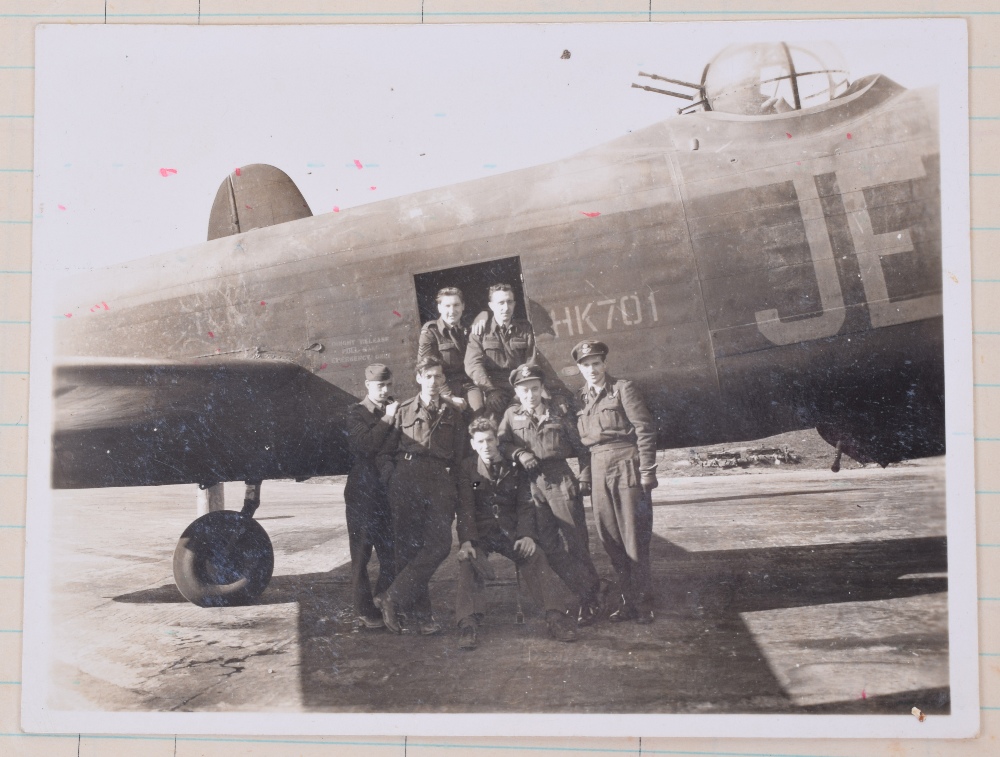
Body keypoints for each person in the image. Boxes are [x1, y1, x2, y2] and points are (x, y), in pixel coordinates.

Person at [454, 417, 579, 650]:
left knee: (536, 556)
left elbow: (524, 503)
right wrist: (467, 541)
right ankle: (468, 623)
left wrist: (527, 535)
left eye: (490, 440)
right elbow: (466, 508)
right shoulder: (468, 468)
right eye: (480, 441)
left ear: (497, 441)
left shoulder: (514, 467)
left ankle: (555, 617)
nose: (486, 446)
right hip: (481, 533)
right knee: (468, 560)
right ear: (473, 444)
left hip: (510, 532)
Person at [497, 363, 602, 626]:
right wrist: (519, 454)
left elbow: (582, 447)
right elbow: (502, 443)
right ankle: (589, 590)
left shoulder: (558, 413)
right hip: (532, 485)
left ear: (541, 389)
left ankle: (590, 600)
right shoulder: (511, 415)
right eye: (524, 391)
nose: (530, 395)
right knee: (550, 546)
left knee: (576, 542)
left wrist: (585, 476)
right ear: (517, 392)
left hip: (560, 479)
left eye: (534, 389)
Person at [374, 356, 466, 635]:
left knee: (440, 545)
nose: (434, 382)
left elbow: (461, 458)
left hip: (439, 479)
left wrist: (461, 490)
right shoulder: (402, 411)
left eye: (439, 377)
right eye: (429, 377)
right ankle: (421, 617)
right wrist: (392, 478)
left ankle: (393, 596)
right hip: (407, 478)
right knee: (408, 548)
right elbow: (384, 452)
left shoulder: (453, 413)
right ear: (418, 378)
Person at [573, 340, 657, 624]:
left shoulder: (623, 389)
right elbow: (582, 447)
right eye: (586, 365)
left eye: (597, 363)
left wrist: (647, 471)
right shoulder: (580, 399)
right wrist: (585, 476)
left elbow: (644, 430)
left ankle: (644, 604)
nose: (592, 369)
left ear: (604, 364)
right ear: (579, 369)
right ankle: (626, 603)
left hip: (625, 464)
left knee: (634, 537)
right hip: (598, 469)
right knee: (610, 539)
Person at [343, 363, 399, 629]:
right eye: (379, 386)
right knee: (362, 554)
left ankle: (382, 600)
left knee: (390, 552)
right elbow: (364, 445)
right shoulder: (356, 413)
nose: (384, 390)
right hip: (363, 491)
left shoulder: (394, 408)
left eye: (388, 385)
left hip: (387, 489)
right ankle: (365, 611)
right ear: (367, 386)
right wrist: (388, 418)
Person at [464, 283, 537, 418]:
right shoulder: (480, 331)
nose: (506, 308)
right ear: (491, 306)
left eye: (509, 302)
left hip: (521, 386)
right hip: (494, 388)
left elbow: (531, 360)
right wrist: (490, 390)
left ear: (514, 304)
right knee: (491, 424)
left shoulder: (525, 328)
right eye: (500, 303)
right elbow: (473, 365)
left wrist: (521, 391)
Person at [417, 287, 471, 412]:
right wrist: (449, 396)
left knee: (479, 415)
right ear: (439, 308)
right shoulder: (431, 331)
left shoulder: (469, 328)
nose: (452, 311)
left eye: (456, 305)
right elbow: (426, 367)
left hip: (469, 385)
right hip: (442, 386)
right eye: (447, 306)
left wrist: (484, 314)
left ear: (463, 306)